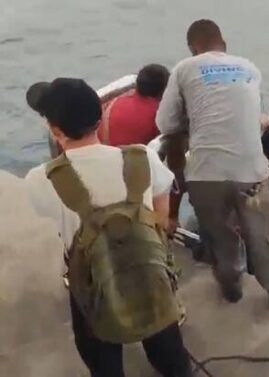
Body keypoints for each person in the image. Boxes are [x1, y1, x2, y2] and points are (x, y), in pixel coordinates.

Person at [24, 78, 192, 377]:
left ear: (55, 130)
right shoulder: (143, 157)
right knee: (168, 349)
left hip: (91, 281)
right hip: (149, 271)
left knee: (101, 356)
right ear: (99, 117)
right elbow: (163, 214)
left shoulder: (41, 179)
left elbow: (55, 225)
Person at [156, 19, 269, 310]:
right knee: (265, 237)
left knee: (221, 236)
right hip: (252, 172)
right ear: (224, 45)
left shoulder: (183, 69)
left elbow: (165, 123)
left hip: (206, 175)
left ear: (193, 48)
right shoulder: (249, 68)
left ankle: (232, 287)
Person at [98, 64, 170, 146]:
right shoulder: (158, 114)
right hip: (127, 156)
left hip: (103, 148)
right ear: (164, 90)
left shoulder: (114, 101)